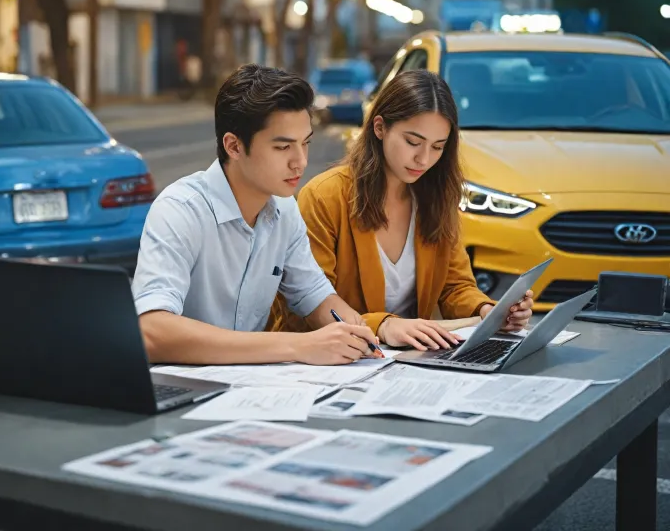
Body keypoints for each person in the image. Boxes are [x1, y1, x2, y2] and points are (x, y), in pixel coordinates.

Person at [133, 63, 381, 365]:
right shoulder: (180, 210)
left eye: (305, 144)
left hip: (249, 391)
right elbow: (151, 330)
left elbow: (315, 296)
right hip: (181, 392)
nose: (300, 162)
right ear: (234, 146)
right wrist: (297, 346)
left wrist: (356, 333)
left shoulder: (284, 209)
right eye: (283, 147)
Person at [271, 69, 534, 350]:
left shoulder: (436, 197)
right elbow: (311, 305)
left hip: (408, 361)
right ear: (380, 127)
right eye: (413, 142)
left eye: (437, 147)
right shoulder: (325, 197)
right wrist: (383, 325)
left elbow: (455, 286)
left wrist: (489, 311)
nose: (423, 158)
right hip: (333, 360)